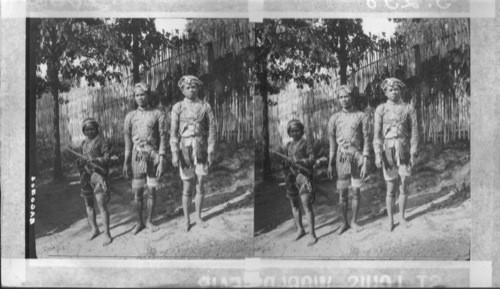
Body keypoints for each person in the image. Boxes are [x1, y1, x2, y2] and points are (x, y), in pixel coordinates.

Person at [170, 75, 216, 232]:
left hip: (201, 147)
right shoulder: (178, 107)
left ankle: (198, 216)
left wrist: (210, 150)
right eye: (187, 87)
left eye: (194, 87)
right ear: (182, 90)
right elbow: (173, 132)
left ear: (198, 88)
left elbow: (212, 130)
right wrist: (175, 153)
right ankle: (186, 219)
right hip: (185, 149)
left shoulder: (205, 106)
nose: (191, 89)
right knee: (187, 185)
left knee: (201, 182)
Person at [373, 77, 419, 232]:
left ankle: (402, 217)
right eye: (390, 89)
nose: (393, 92)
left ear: (401, 90)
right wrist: (378, 154)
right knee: (391, 187)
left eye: (396, 89)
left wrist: (413, 150)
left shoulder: (409, 108)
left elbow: (414, 132)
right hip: (388, 151)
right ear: (385, 92)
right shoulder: (381, 109)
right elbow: (377, 135)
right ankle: (390, 220)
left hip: (404, 149)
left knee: (404, 184)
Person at [123, 82, 167, 234]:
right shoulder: (130, 116)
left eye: (143, 94)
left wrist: (161, 159)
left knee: (152, 190)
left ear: (148, 95)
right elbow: (128, 141)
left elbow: (162, 137)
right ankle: (138, 222)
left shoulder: (157, 114)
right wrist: (126, 161)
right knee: (138, 192)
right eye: (137, 95)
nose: (140, 98)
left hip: (152, 155)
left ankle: (149, 221)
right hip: (137, 156)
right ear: (134, 97)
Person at [327, 85, 370, 235]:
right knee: (343, 192)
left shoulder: (361, 116)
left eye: (346, 96)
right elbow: (332, 142)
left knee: (356, 190)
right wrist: (330, 162)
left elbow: (366, 139)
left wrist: (365, 160)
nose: (344, 99)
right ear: (338, 99)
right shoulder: (334, 118)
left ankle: (354, 221)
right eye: (341, 97)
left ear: (352, 97)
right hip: (341, 157)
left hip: (356, 157)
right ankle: (344, 222)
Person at [77, 117, 112, 246]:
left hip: (99, 176)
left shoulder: (102, 142)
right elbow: (81, 162)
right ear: (83, 131)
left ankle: (107, 233)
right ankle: (94, 229)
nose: (90, 131)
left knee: (101, 205)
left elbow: (107, 158)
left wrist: (96, 160)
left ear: (97, 129)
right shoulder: (83, 144)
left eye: (92, 129)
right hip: (85, 177)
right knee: (88, 204)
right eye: (87, 129)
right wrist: (81, 163)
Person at [282, 119, 317, 246]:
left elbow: (312, 159)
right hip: (291, 179)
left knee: (306, 206)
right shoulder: (288, 146)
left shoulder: (306, 143)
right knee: (294, 205)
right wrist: (286, 164)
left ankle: (312, 234)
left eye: (297, 130)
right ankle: (300, 229)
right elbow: (285, 165)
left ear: (302, 131)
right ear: (289, 133)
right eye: (292, 131)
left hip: (304, 177)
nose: (295, 133)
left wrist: (300, 161)